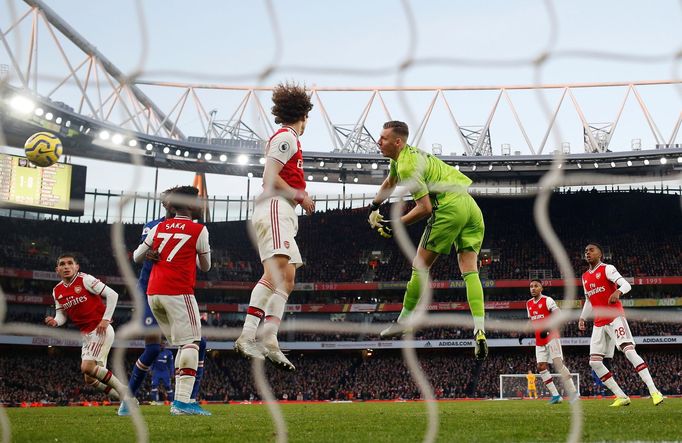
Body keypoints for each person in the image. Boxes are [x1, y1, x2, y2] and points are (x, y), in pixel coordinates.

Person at [368, 120, 487, 359]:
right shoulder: (401, 160)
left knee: (420, 266)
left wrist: (395, 225)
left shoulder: (407, 166)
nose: (378, 142)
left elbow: (424, 208)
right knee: (470, 271)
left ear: (398, 142)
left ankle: (403, 321)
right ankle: (480, 330)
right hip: (470, 207)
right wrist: (374, 205)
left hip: (449, 208)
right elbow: (390, 183)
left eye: (383, 138)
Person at [234, 82, 315, 371]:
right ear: (303, 114)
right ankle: (246, 336)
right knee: (276, 274)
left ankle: (269, 340)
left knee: (289, 278)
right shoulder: (286, 137)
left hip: (282, 212)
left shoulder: (290, 139)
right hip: (274, 208)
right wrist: (300, 195)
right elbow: (269, 177)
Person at [120, 190, 209, 416]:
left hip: (156, 291)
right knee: (157, 347)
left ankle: (187, 398)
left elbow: (138, 254)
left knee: (196, 342)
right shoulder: (155, 226)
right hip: (158, 289)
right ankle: (129, 400)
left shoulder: (162, 228)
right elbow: (140, 255)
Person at [578, 243, 663, 407]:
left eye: (591, 250)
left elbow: (626, 285)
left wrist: (617, 292)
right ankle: (621, 396)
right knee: (594, 362)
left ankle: (654, 391)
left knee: (629, 351)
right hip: (599, 322)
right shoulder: (584, 277)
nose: (588, 253)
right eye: (586, 251)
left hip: (614, 317)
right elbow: (589, 299)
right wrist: (582, 318)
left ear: (600, 254)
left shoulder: (607, 268)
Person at [45, 253, 128, 403]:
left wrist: (105, 319)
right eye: (62, 264)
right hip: (87, 335)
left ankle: (125, 392)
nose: (66, 266)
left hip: (100, 329)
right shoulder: (56, 290)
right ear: (57, 269)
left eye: (70, 263)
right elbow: (61, 315)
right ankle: (125, 400)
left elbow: (112, 295)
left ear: (77, 267)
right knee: (89, 379)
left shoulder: (86, 279)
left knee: (87, 367)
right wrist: (55, 322)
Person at [526, 279, 578, 404]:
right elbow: (532, 320)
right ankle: (556, 396)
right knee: (541, 366)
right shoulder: (528, 303)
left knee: (558, 364)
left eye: (536, 286)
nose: (533, 288)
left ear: (541, 288)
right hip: (539, 340)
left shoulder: (547, 300)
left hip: (551, 337)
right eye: (531, 286)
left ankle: (574, 393)